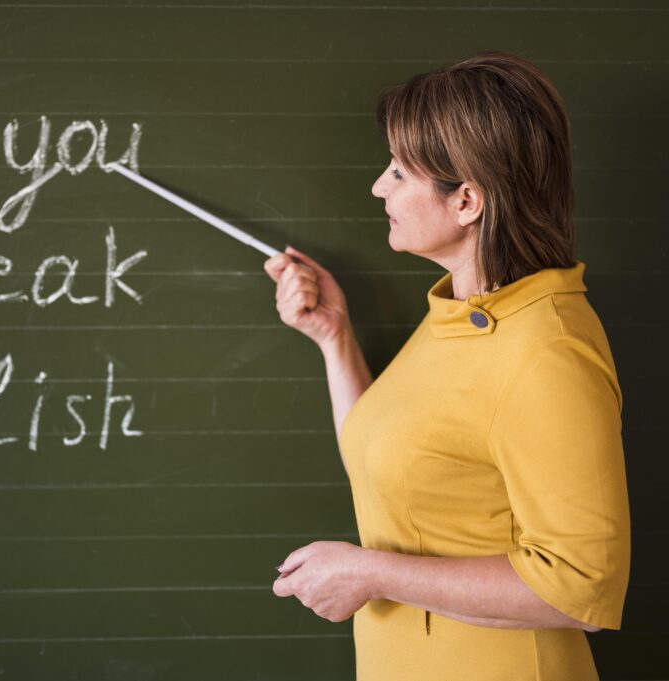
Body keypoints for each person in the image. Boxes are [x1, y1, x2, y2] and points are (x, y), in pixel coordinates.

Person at [264, 50, 631, 681]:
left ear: (466, 201)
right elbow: (387, 462)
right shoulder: (457, 316)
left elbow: (581, 587)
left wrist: (369, 571)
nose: (380, 187)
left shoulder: (549, 350)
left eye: (400, 173)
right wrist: (335, 339)